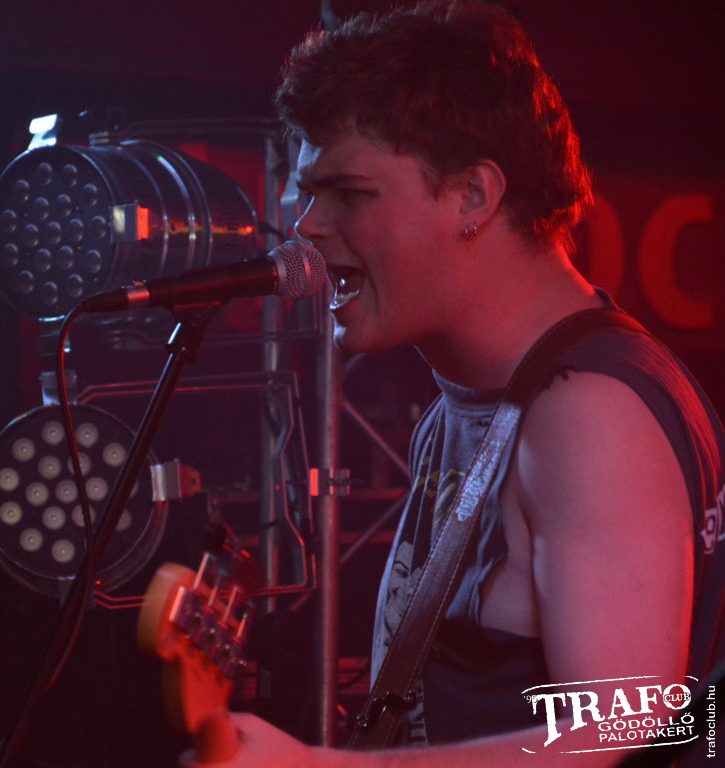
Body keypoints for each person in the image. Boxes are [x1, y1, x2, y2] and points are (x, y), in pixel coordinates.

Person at [183, 1, 725, 766]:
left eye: (350, 193)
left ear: (473, 196)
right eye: (309, 193)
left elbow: (625, 731)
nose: (307, 226)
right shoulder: (468, 407)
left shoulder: (588, 415)